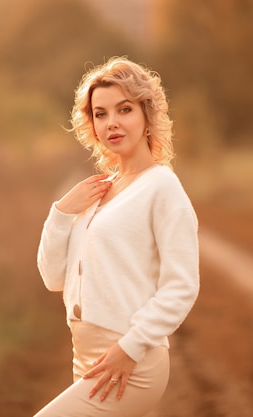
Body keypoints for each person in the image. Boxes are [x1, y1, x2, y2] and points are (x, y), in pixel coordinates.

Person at [34, 57, 200, 417]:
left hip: (131, 361)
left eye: (124, 109)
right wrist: (61, 213)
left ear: (146, 114)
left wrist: (130, 349)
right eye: (100, 113)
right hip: (86, 357)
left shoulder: (162, 187)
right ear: (91, 123)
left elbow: (181, 286)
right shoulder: (98, 190)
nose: (112, 122)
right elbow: (53, 278)